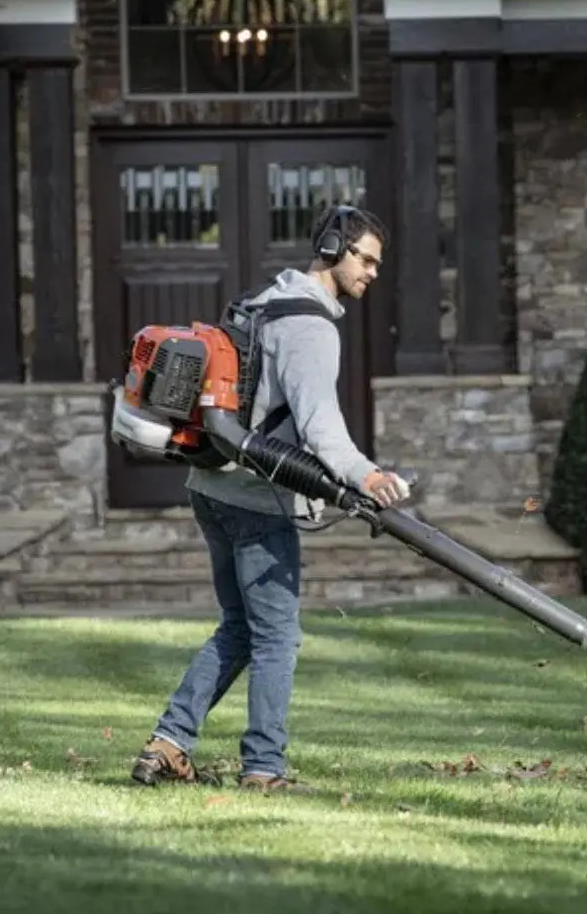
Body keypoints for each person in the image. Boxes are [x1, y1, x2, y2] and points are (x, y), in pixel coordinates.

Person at [130, 204, 411, 792]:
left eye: (376, 264)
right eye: (365, 260)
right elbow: (320, 426)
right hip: (258, 500)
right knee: (277, 636)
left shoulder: (261, 301)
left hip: (210, 487)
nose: (372, 273)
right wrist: (366, 476)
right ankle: (264, 769)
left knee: (239, 626)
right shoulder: (311, 327)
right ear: (332, 249)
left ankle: (168, 744)